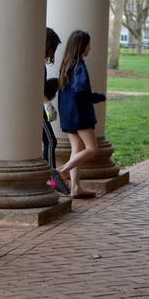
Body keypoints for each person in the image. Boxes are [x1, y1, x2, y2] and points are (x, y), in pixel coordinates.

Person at [56, 30, 105, 199]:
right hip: (80, 114)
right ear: (83, 46)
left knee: (77, 148)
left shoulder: (66, 65)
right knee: (92, 149)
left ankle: (75, 188)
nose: (90, 47)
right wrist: (98, 97)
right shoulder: (79, 66)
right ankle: (62, 171)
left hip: (67, 114)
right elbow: (80, 91)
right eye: (89, 44)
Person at [42, 27, 69, 195]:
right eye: (51, 46)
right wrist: (47, 104)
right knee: (51, 141)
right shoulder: (36, 62)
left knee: (50, 141)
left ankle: (48, 176)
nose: (52, 52)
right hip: (37, 108)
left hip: (39, 105)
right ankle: (51, 177)